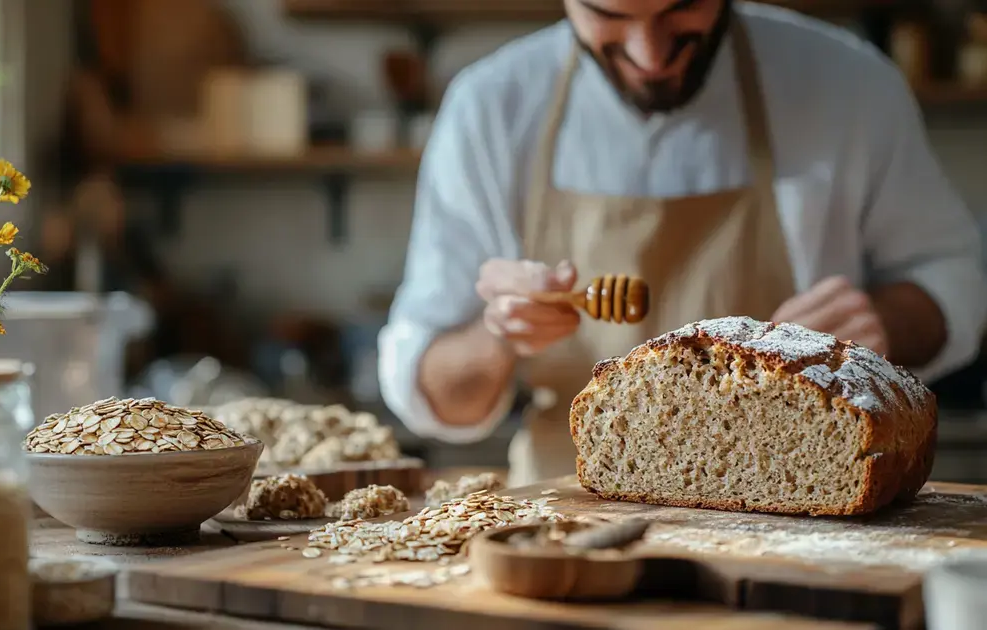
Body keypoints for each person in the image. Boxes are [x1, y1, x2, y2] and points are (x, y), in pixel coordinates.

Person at [378, 0, 987, 487]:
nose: (651, 54)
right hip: (564, 515)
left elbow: (957, 279)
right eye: (609, 16)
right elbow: (428, 387)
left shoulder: (847, 86)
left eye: (682, 10)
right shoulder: (490, 108)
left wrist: (883, 321)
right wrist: (499, 335)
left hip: (799, 507)